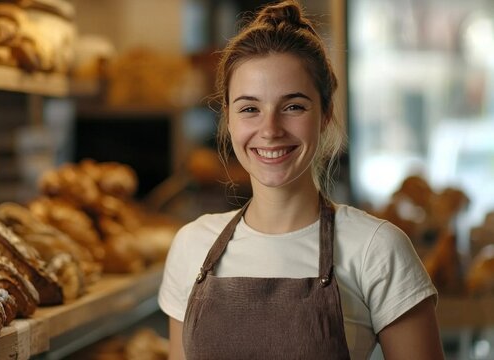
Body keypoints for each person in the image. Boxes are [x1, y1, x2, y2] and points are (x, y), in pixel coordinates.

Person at [158, 1, 445, 359]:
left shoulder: (377, 249)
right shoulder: (192, 248)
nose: (270, 130)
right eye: (250, 109)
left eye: (293, 106)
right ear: (227, 119)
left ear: (325, 114)